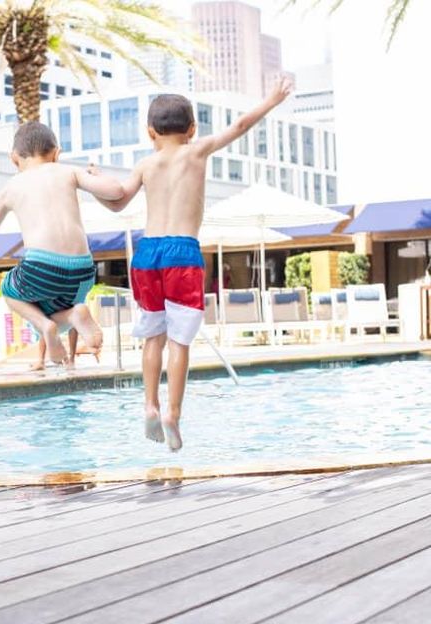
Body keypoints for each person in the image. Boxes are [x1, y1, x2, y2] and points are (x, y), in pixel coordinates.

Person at [94, 76, 295, 451]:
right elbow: (239, 126)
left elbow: (118, 200)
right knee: (179, 341)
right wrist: (270, 100)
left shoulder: (145, 164)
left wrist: (95, 181)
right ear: (192, 128)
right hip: (182, 253)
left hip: (147, 253)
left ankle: (149, 405)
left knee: (152, 336)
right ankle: (172, 412)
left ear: (150, 131)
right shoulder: (197, 151)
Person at [0, 121, 123, 367]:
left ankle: (44, 326)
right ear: (56, 153)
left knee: (9, 288)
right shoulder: (68, 171)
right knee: (58, 313)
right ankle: (74, 314)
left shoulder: (11, 187)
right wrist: (98, 176)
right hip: (84, 270)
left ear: (14, 159)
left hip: (41, 266)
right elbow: (116, 191)